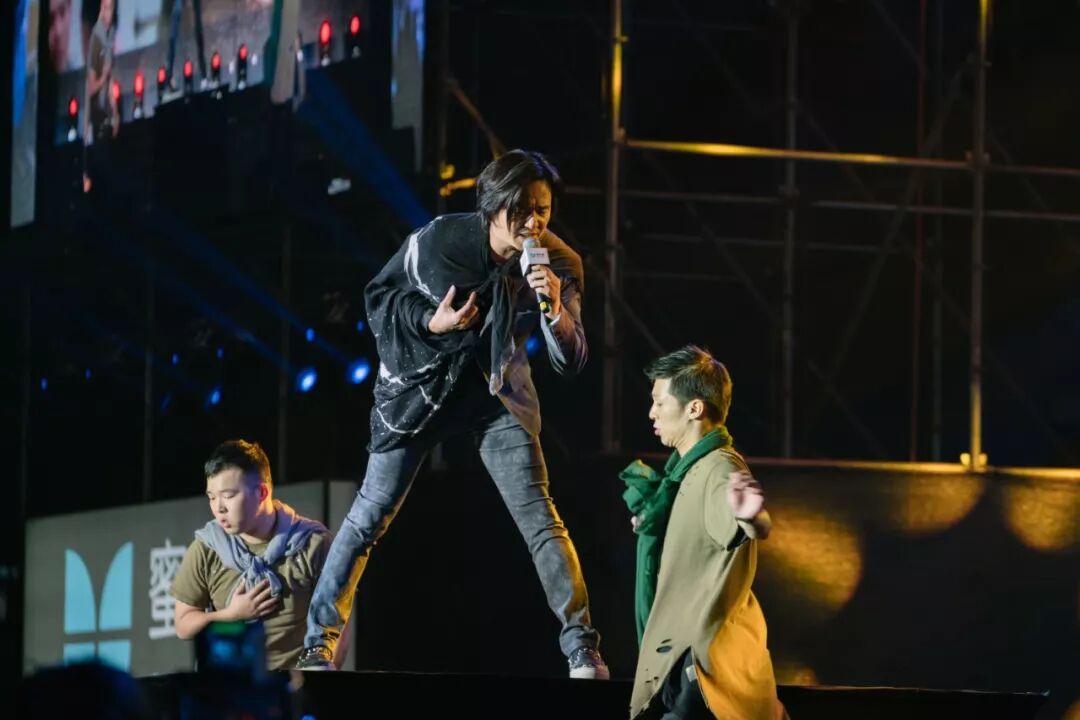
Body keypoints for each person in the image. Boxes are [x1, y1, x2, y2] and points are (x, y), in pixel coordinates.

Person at [297, 149, 608, 679]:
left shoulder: (558, 264)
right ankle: (318, 645)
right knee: (369, 515)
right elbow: (381, 296)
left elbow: (572, 359)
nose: (534, 223)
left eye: (543, 210)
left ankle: (582, 648)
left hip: (495, 392)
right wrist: (431, 323)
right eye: (522, 210)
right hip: (421, 391)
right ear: (493, 205)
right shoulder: (440, 242)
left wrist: (553, 306)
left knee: (540, 518)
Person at [622, 346, 786, 719]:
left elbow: (748, 523)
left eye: (659, 402)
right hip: (684, 664)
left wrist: (753, 517)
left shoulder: (720, 468)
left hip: (699, 670)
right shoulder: (685, 473)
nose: (651, 412)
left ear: (694, 408)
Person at [170, 440, 336, 670]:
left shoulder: (312, 542)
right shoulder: (207, 547)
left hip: (299, 683)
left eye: (228, 495)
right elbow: (183, 625)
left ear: (262, 492)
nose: (219, 508)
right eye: (211, 497)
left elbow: (338, 622)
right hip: (231, 681)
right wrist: (231, 615)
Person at [82, 0, 118, 192]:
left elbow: (109, 78)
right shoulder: (96, 39)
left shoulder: (109, 35)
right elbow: (91, 88)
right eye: (105, 7)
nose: (108, 12)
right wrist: (103, 76)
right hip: (95, 121)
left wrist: (115, 111)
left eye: (111, 7)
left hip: (106, 116)